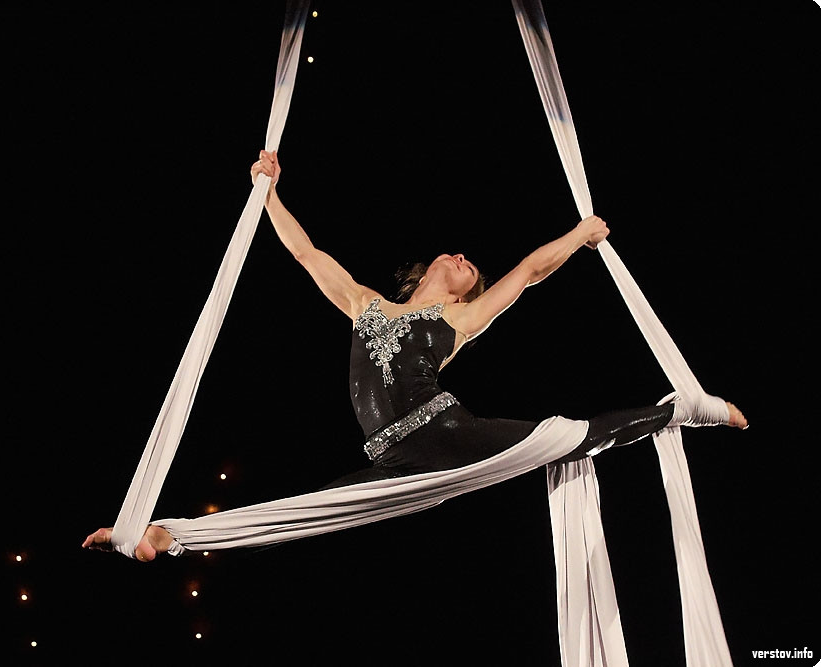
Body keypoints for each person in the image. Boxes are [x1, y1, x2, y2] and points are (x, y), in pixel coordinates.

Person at [83, 150, 747, 561]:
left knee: (566, 437)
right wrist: (269, 192)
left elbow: (529, 273)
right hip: (392, 455)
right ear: (428, 267)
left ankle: (683, 410)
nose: (461, 258)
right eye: (456, 255)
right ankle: (165, 535)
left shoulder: (461, 318)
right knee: (311, 507)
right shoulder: (365, 302)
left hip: (446, 432)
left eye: (471, 267)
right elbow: (306, 253)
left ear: (465, 291)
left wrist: (578, 235)